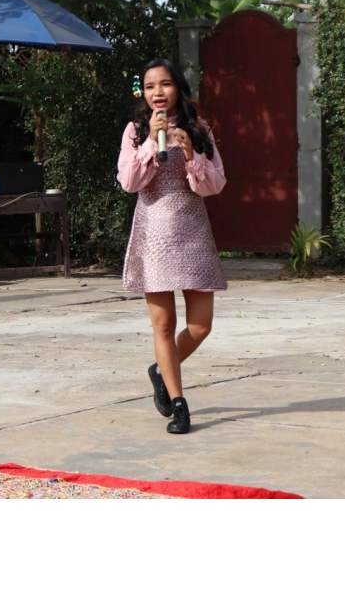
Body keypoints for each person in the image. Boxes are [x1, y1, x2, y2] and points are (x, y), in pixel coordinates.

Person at [117, 58, 227, 434]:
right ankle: (179, 404)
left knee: (200, 325)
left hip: (193, 230)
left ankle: (160, 369)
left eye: (164, 84)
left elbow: (215, 185)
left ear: (177, 87)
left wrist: (192, 155)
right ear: (143, 94)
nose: (157, 93)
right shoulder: (135, 131)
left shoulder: (199, 129)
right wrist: (151, 141)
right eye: (150, 87)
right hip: (155, 233)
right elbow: (130, 182)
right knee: (164, 325)